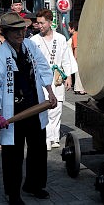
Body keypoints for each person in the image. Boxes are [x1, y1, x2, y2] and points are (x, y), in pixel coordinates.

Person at [0, 12, 57, 205]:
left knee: (38, 149)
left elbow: (43, 67)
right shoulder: (0, 54)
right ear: (5, 33)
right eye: (15, 31)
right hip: (11, 112)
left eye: (22, 29)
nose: (20, 34)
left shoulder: (30, 46)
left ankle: (34, 185)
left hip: (34, 107)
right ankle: (12, 193)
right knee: (13, 155)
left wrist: (50, 91)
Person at [31, 9, 77, 150]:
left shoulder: (61, 39)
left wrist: (68, 76)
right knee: (45, 107)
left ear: (50, 22)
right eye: (38, 23)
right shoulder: (34, 40)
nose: (40, 26)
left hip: (57, 77)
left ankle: (54, 137)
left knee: (57, 108)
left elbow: (66, 58)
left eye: (42, 23)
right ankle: (46, 138)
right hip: (41, 79)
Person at [68, 21, 86, 95]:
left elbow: (76, 47)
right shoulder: (78, 35)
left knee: (78, 73)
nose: (68, 29)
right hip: (80, 56)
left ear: (73, 28)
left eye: (69, 27)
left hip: (77, 57)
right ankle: (80, 88)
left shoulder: (75, 35)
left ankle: (80, 89)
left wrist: (75, 58)